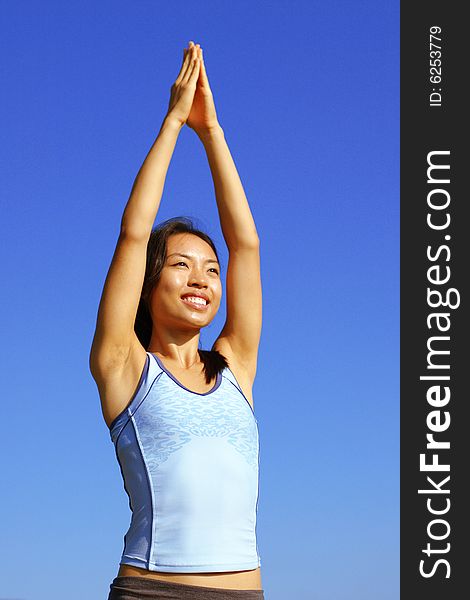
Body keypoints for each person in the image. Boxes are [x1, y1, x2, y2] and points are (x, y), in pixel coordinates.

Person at [89, 40, 264, 600]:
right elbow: (134, 235)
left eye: (210, 270)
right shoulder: (124, 367)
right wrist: (172, 123)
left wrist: (210, 132)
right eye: (181, 266)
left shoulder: (236, 366)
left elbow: (248, 245)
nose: (201, 280)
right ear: (147, 285)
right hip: (151, 593)